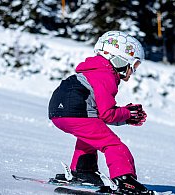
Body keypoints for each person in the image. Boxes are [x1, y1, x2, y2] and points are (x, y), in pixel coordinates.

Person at [48, 31, 153, 194]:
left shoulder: (93, 71)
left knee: (90, 137)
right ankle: (125, 180)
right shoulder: (106, 75)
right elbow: (107, 114)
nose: (133, 71)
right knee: (112, 144)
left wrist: (125, 115)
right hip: (76, 112)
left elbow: (100, 113)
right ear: (120, 59)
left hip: (58, 112)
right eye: (134, 65)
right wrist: (127, 114)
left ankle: (84, 171)